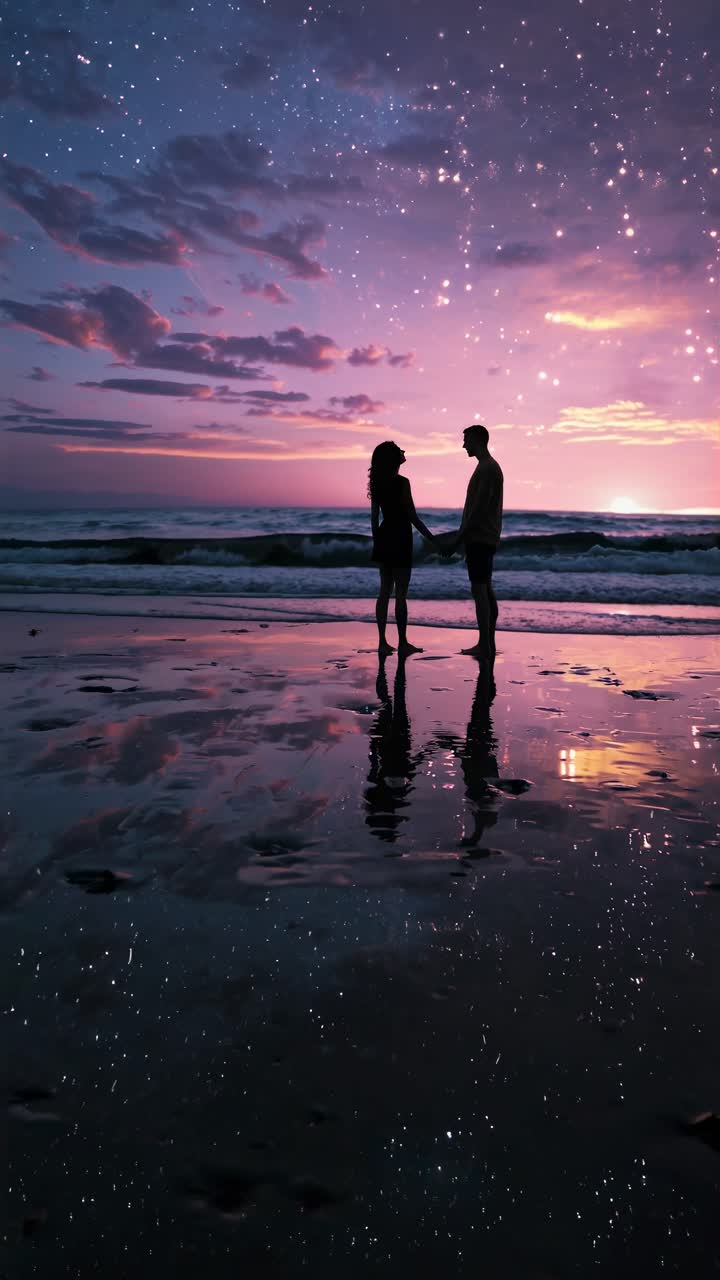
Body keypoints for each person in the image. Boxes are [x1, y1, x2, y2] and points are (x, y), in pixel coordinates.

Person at [442, 424, 503, 666]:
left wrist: (458, 539)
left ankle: (485, 645)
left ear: (478, 440)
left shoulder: (487, 468)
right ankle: (488, 643)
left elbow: (477, 510)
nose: (463, 445)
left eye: (466, 440)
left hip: (481, 537)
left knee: (480, 591)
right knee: (485, 589)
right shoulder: (486, 467)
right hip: (484, 537)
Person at [368, 440, 435, 656]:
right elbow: (412, 516)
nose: (403, 453)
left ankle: (382, 642)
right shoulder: (402, 483)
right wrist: (432, 538)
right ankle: (403, 643)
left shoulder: (377, 483)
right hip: (400, 537)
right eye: (399, 451)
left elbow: (374, 517)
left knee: (384, 591)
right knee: (401, 594)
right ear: (393, 458)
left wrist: (377, 541)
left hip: (384, 536)